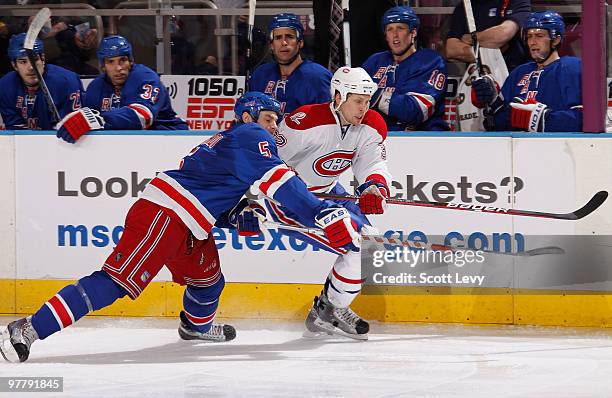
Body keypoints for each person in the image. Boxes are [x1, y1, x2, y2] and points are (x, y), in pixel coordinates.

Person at [0, 92, 362, 363]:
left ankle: (196, 327)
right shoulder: (251, 134)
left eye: (275, 121)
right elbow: (281, 184)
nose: (274, 126)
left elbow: (214, 197)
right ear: (249, 115)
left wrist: (236, 216)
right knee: (113, 283)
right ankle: (29, 328)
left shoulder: (234, 145)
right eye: (269, 118)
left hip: (190, 224)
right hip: (166, 215)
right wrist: (321, 213)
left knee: (209, 281)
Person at [248, 67, 390, 340]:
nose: (364, 107)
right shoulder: (305, 122)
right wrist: (253, 201)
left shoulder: (371, 125)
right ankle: (329, 311)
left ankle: (329, 308)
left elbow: (372, 162)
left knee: (372, 246)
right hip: (293, 201)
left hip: (330, 193)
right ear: (338, 96)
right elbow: (269, 162)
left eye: (367, 100)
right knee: (358, 248)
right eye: (357, 100)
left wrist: (374, 186)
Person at [55, 35, 187, 144]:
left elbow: (143, 117)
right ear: (103, 66)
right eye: (111, 62)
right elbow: (87, 121)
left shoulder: (145, 77)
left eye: (122, 60)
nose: (118, 68)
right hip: (130, 143)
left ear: (130, 61)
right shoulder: (96, 87)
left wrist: (99, 119)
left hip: (171, 138)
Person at [470, 11, 582, 132]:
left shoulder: (572, 68)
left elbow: (582, 118)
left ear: (556, 40)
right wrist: (492, 103)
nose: (532, 42)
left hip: (558, 147)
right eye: (529, 36)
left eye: (539, 36)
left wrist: (542, 120)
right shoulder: (519, 73)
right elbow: (496, 125)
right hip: (517, 147)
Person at [361, 5, 449, 131]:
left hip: (424, 139)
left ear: (413, 32)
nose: (395, 35)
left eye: (400, 28)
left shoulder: (430, 61)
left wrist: (375, 95)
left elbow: (416, 111)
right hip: (381, 138)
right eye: (389, 29)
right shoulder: (375, 62)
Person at [249, 13, 332, 115]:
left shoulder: (318, 77)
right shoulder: (260, 75)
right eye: (278, 37)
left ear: (300, 42)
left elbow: (328, 121)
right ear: (271, 45)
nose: (284, 42)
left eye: (289, 37)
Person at [0, 33, 84, 130]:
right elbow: (15, 130)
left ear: (43, 59)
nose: (31, 67)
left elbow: (70, 126)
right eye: (23, 62)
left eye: (34, 60)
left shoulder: (66, 82)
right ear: (14, 65)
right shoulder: (5, 86)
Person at [445, 0, 531, 73]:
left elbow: (503, 35)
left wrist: (471, 38)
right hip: (477, 77)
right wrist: (493, 52)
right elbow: (451, 49)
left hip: (514, 74)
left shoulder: (516, 2)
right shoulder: (464, 7)